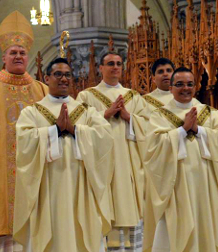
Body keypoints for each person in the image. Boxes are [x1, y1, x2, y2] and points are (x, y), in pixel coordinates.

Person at [13, 58, 113, 252]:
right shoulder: (32, 113)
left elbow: (105, 138)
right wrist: (55, 130)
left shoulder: (86, 111)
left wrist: (75, 130)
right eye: (58, 74)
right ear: (47, 78)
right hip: (47, 187)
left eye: (67, 75)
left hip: (81, 186)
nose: (63, 79)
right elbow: (24, 143)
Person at [0, 10, 48, 249]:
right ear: (3, 57)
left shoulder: (42, 90)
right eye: (13, 53)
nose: (18, 56)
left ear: (28, 57)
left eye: (22, 53)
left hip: (35, 167)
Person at [143, 67, 218, 251]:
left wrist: (199, 130)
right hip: (177, 186)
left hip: (206, 186)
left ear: (195, 86)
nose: (185, 88)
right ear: (171, 88)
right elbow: (153, 149)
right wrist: (182, 130)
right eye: (179, 84)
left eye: (189, 84)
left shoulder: (210, 113)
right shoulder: (159, 116)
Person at [77, 52, 150, 251]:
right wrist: (105, 114)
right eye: (110, 64)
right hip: (102, 165)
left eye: (118, 63)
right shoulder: (87, 96)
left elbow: (149, 128)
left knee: (128, 211)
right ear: (100, 68)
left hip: (128, 164)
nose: (115, 67)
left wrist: (128, 117)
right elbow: (79, 128)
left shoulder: (133, 96)